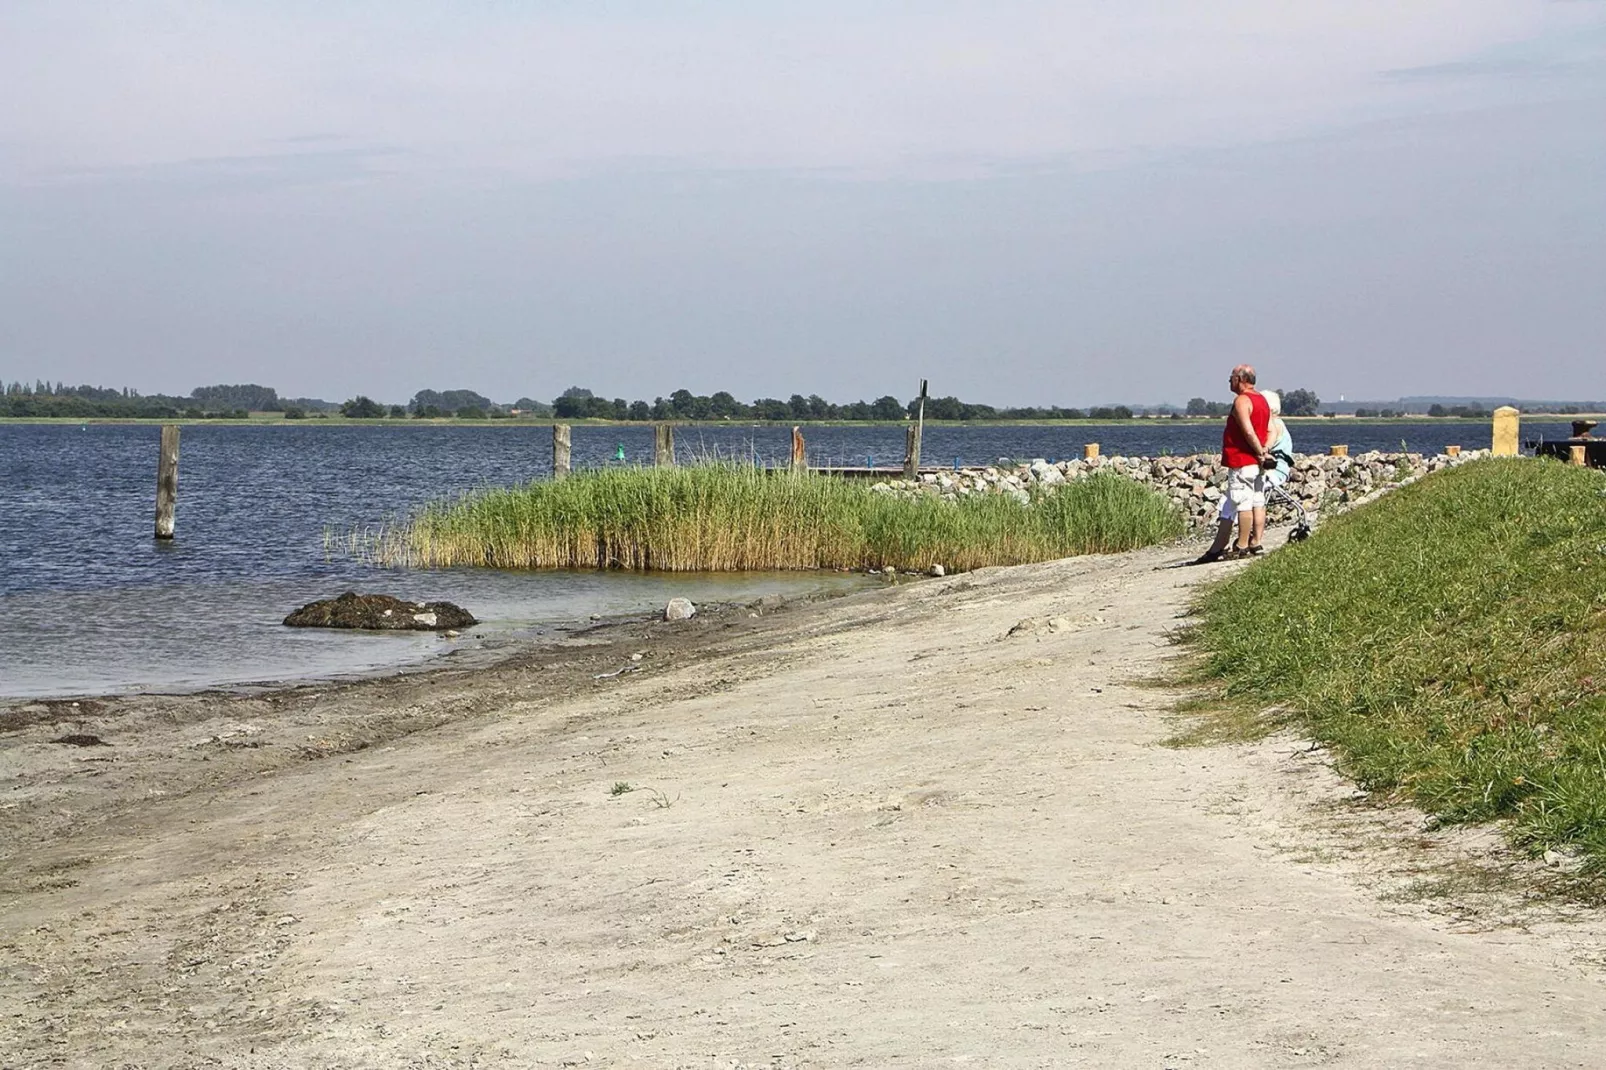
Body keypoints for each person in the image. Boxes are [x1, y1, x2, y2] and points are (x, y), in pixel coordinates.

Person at [1194, 365, 1272, 563]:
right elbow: (1269, 429)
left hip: (1242, 460)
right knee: (1244, 502)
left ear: (1240, 378)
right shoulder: (1262, 400)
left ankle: (1242, 545)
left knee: (1241, 501)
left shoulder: (1242, 400)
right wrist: (1265, 451)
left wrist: (1258, 450)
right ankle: (1219, 546)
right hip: (1255, 463)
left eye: (1231, 377)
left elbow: (1248, 431)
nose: (1229, 381)